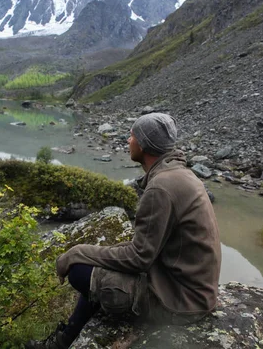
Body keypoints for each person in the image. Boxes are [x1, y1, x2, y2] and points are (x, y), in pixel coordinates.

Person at [26, 113, 221, 349]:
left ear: (145, 145)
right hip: (190, 289)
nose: (128, 140)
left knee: (79, 272)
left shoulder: (161, 187)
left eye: (132, 136)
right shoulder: (180, 175)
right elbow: (146, 249)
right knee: (98, 269)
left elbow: (139, 258)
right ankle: (64, 341)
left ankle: (62, 342)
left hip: (180, 302)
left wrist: (78, 252)